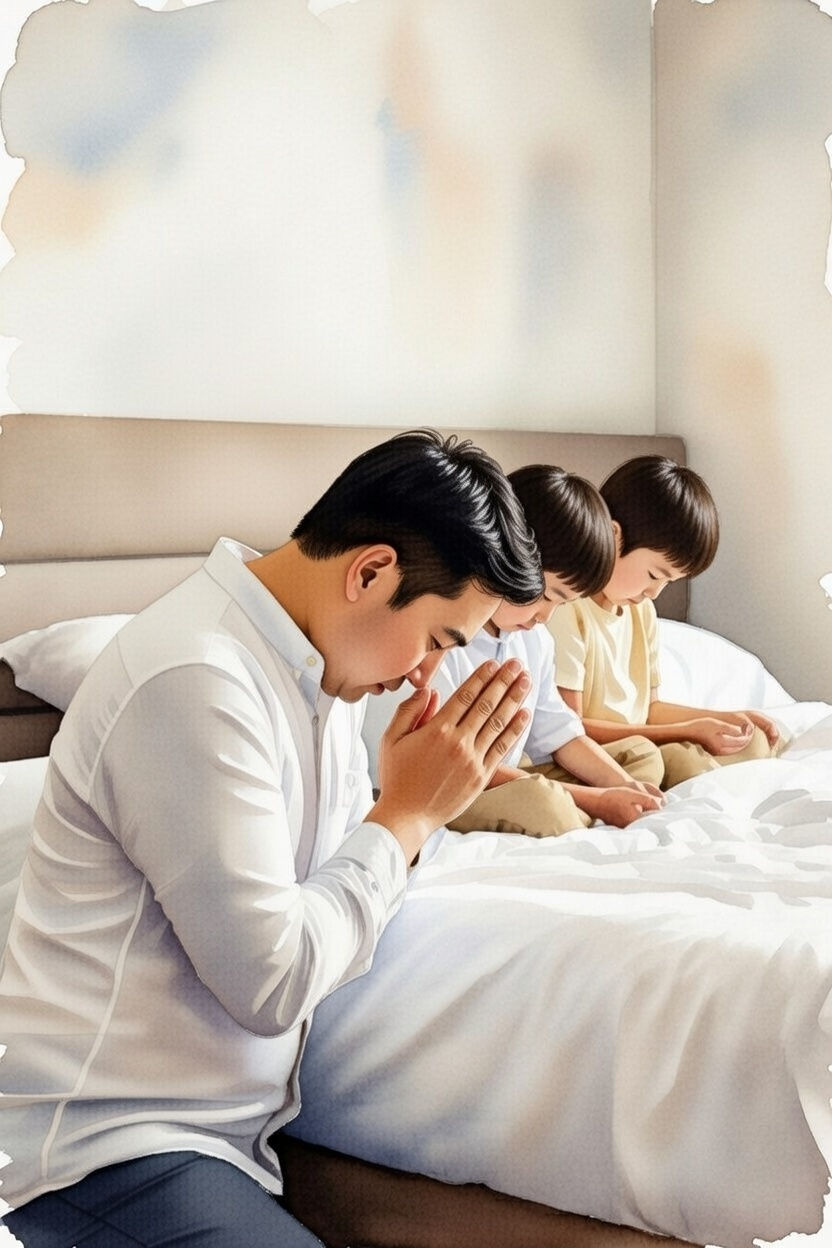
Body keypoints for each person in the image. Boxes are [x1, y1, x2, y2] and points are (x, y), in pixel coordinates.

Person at [0, 429, 543, 1248]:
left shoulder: (317, 672)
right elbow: (272, 982)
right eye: (438, 641)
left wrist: (399, 812)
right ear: (370, 571)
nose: (423, 673)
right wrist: (404, 816)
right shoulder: (196, 678)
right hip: (107, 1144)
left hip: (235, 1133)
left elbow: (328, 903)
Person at [434, 464, 666, 838]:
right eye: (546, 596)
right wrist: (596, 799)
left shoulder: (534, 640)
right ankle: (581, 815)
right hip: (453, 783)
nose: (545, 616)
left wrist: (621, 785)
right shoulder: (444, 637)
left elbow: (558, 731)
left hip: (512, 774)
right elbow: (456, 762)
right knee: (544, 803)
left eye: (562, 604)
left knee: (636, 757)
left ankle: (592, 810)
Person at [549, 454, 780, 790]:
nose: (655, 592)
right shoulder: (566, 608)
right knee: (653, 757)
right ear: (614, 537)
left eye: (669, 581)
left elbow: (650, 709)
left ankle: (693, 778)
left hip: (640, 743)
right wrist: (688, 731)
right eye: (654, 574)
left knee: (753, 739)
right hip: (591, 753)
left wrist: (725, 719)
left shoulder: (642, 612)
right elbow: (570, 729)